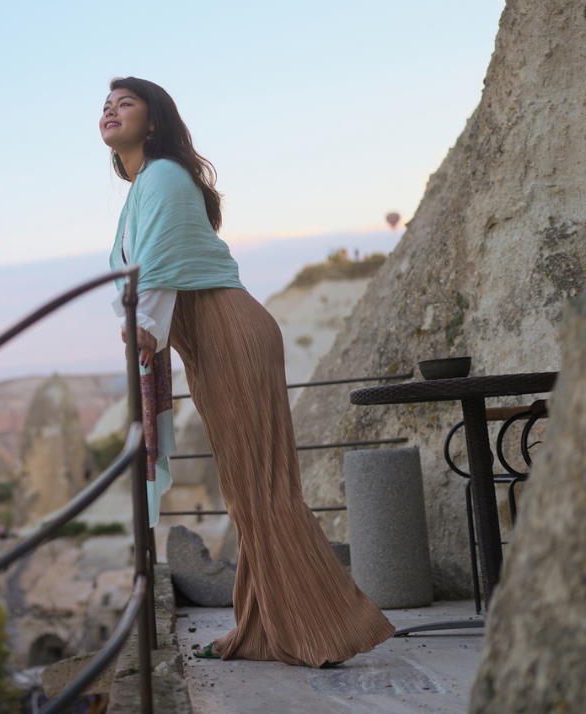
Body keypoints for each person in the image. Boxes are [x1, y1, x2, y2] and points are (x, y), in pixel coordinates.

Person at [101, 76, 395, 668]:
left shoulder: (161, 175)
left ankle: (328, 628)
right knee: (245, 494)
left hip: (230, 335)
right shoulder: (140, 189)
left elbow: (156, 264)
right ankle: (265, 628)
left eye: (124, 102)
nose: (109, 109)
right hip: (214, 343)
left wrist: (148, 329)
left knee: (262, 492)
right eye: (105, 104)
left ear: (153, 121)